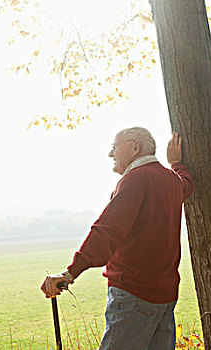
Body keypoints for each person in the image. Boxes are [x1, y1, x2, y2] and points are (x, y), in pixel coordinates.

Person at [41, 127, 193, 350]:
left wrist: (70, 272)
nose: (110, 154)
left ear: (135, 148)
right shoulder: (171, 180)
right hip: (165, 297)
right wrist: (176, 164)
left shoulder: (134, 180)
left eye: (114, 148)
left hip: (134, 294)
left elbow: (107, 231)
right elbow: (187, 184)